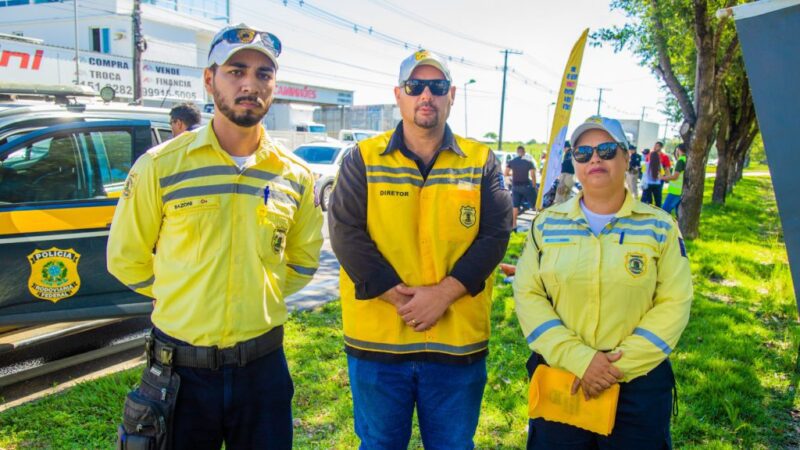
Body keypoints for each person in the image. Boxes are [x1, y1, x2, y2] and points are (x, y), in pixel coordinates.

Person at [107, 24, 324, 449]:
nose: (250, 84)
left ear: (274, 86)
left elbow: (302, 261)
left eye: (263, 74)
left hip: (263, 372)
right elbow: (125, 257)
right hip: (180, 374)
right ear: (209, 79)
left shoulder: (295, 176)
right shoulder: (160, 167)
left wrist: (256, 293)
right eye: (236, 70)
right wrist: (181, 292)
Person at [328, 49, 513, 449]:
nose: (425, 95)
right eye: (415, 86)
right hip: (377, 345)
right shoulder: (363, 158)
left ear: (452, 96)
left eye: (437, 86)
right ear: (399, 94)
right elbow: (345, 233)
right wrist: (402, 299)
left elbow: (496, 235)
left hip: (457, 344)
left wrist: (443, 295)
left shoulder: (481, 161)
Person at [513, 115, 693, 449]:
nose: (594, 158)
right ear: (575, 162)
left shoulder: (661, 227)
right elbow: (528, 294)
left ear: (627, 158)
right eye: (583, 153)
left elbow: (675, 302)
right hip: (562, 379)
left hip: (636, 387)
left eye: (606, 149)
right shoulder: (547, 225)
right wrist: (580, 359)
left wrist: (612, 369)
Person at [506, 145, 537, 230]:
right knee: (536, 205)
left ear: (517, 152)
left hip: (515, 187)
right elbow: (533, 175)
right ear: (524, 152)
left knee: (515, 206)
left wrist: (513, 174)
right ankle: (537, 223)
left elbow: (506, 173)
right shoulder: (528, 162)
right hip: (526, 186)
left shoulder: (512, 162)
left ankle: (514, 225)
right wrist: (534, 186)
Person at [661, 143, 687, 217]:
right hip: (680, 191)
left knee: (664, 211)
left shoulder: (681, 160)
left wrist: (662, 178)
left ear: (678, 150)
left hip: (675, 192)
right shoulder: (686, 159)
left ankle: (663, 227)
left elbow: (675, 176)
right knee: (678, 214)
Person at [554, 140, 575, 205]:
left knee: (561, 193)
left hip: (567, 175)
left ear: (566, 147)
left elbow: (567, 164)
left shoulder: (569, 154)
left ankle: (559, 207)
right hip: (571, 176)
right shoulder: (572, 153)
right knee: (566, 194)